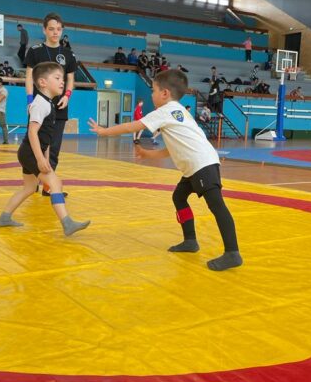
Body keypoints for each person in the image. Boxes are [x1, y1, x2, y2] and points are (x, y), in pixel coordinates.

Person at [88, 69, 242, 271]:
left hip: (201, 164)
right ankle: (190, 240)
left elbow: (132, 127)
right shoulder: (179, 111)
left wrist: (104, 131)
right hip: (195, 166)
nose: (151, 94)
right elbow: (172, 149)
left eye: (153, 90)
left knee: (217, 206)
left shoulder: (165, 111)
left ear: (164, 93)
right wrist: (148, 154)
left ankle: (232, 253)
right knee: (179, 197)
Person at [0, 62, 90, 236]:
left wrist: (45, 157)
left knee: (29, 188)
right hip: (30, 153)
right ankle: (67, 223)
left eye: (63, 78)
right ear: (42, 82)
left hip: (29, 152)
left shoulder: (48, 103)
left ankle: (4, 217)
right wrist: (40, 159)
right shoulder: (40, 104)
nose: (62, 82)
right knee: (55, 183)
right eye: (57, 78)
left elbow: (45, 138)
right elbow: (32, 132)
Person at [25, 12, 77, 197]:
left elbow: (70, 79)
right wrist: (29, 100)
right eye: (51, 29)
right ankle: (31, 183)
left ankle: (48, 186)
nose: (55, 32)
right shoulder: (35, 51)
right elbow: (29, 77)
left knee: (53, 148)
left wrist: (67, 96)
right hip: (39, 106)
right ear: (44, 30)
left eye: (59, 29)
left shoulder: (68, 54)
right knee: (34, 144)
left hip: (60, 107)